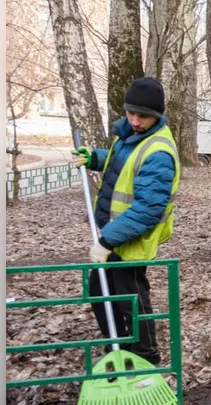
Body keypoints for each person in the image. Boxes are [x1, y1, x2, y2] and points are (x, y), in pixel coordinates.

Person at [72, 77, 181, 365]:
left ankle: (145, 355)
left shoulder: (158, 152)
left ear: (156, 116)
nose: (134, 121)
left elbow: (147, 209)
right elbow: (124, 163)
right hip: (116, 234)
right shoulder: (132, 136)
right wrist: (95, 158)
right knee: (100, 290)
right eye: (130, 113)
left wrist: (107, 240)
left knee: (130, 299)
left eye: (142, 116)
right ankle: (117, 346)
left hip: (130, 239)